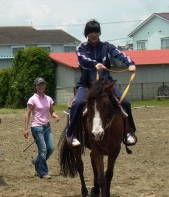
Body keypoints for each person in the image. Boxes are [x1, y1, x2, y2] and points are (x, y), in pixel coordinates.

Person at [66, 19, 137, 147]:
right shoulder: (81, 47)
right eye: (91, 32)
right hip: (87, 85)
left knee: (125, 102)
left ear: (99, 33)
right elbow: (83, 59)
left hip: (106, 84)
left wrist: (130, 63)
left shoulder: (106, 46)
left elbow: (120, 55)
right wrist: (95, 64)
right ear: (86, 34)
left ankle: (129, 132)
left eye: (96, 32)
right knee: (77, 104)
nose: (94, 34)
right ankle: (71, 133)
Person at [23, 77, 60, 179]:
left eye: (43, 84)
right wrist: (25, 129)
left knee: (51, 148)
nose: (41, 86)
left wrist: (55, 116)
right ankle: (43, 172)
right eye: (39, 85)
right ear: (35, 87)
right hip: (36, 127)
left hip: (47, 126)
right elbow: (27, 114)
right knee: (43, 149)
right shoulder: (32, 99)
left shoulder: (48, 99)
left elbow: (52, 112)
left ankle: (37, 161)